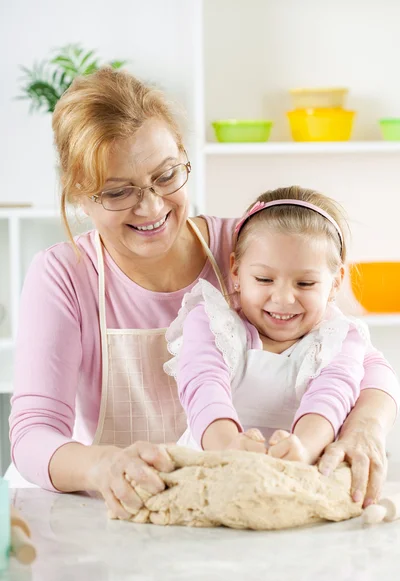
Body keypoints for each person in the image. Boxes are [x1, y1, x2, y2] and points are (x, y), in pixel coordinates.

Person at [9, 68, 398, 518]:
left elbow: (360, 357)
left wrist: (366, 426)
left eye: (166, 175)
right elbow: (33, 435)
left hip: (237, 520)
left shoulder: (251, 252)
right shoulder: (65, 275)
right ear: (80, 195)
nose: (152, 206)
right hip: (124, 519)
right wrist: (103, 467)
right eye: (118, 192)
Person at [164, 189, 380, 467]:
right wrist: (227, 446)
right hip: (211, 465)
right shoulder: (210, 323)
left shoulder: (340, 338)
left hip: (300, 470)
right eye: (265, 279)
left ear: (336, 282)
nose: (283, 298)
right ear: (236, 271)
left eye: (305, 284)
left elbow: (331, 395)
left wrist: (303, 449)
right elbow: (203, 387)